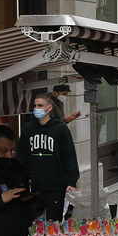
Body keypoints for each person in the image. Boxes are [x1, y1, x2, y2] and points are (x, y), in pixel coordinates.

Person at [16, 93, 79, 221]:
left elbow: (69, 156)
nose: (37, 109)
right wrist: (22, 180)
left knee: (54, 225)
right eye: (35, 106)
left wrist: (72, 182)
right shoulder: (28, 129)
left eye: (40, 105)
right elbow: (22, 157)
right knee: (29, 223)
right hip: (34, 186)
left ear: (49, 108)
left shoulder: (60, 128)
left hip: (55, 185)